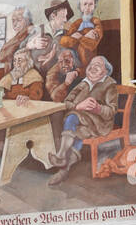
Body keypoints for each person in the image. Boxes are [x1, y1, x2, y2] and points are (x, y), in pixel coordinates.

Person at [48, 55, 119, 187]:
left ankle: (61, 156)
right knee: (78, 130)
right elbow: (66, 102)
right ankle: (64, 170)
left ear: (106, 71)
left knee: (72, 117)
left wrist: (97, 108)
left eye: (97, 65)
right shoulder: (83, 83)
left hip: (98, 123)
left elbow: (111, 111)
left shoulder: (109, 85)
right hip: (81, 121)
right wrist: (78, 106)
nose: (92, 67)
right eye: (91, 64)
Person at [61, 0, 103, 69]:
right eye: (85, 4)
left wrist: (79, 37)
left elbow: (92, 44)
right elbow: (63, 41)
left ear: (94, 7)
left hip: (88, 59)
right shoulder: (77, 23)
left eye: (91, 4)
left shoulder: (96, 22)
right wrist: (85, 37)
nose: (87, 7)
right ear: (80, 7)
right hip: (74, 58)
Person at [0, 7, 35, 72]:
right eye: (13, 20)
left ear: (27, 20)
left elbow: (3, 56)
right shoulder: (19, 36)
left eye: (19, 20)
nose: (14, 24)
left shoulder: (33, 34)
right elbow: (1, 57)